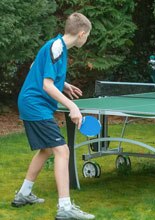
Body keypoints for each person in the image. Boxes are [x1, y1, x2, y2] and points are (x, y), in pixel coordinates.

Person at [12, 12, 95, 219]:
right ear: (82, 33)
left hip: (34, 103)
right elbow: (46, 85)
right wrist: (72, 107)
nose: (86, 39)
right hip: (35, 104)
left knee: (47, 150)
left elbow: (35, 67)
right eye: (88, 36)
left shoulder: (57, 46)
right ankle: (65, 208)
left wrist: (63, 85)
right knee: (62, 150)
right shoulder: (57, 48)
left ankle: (23, 194)